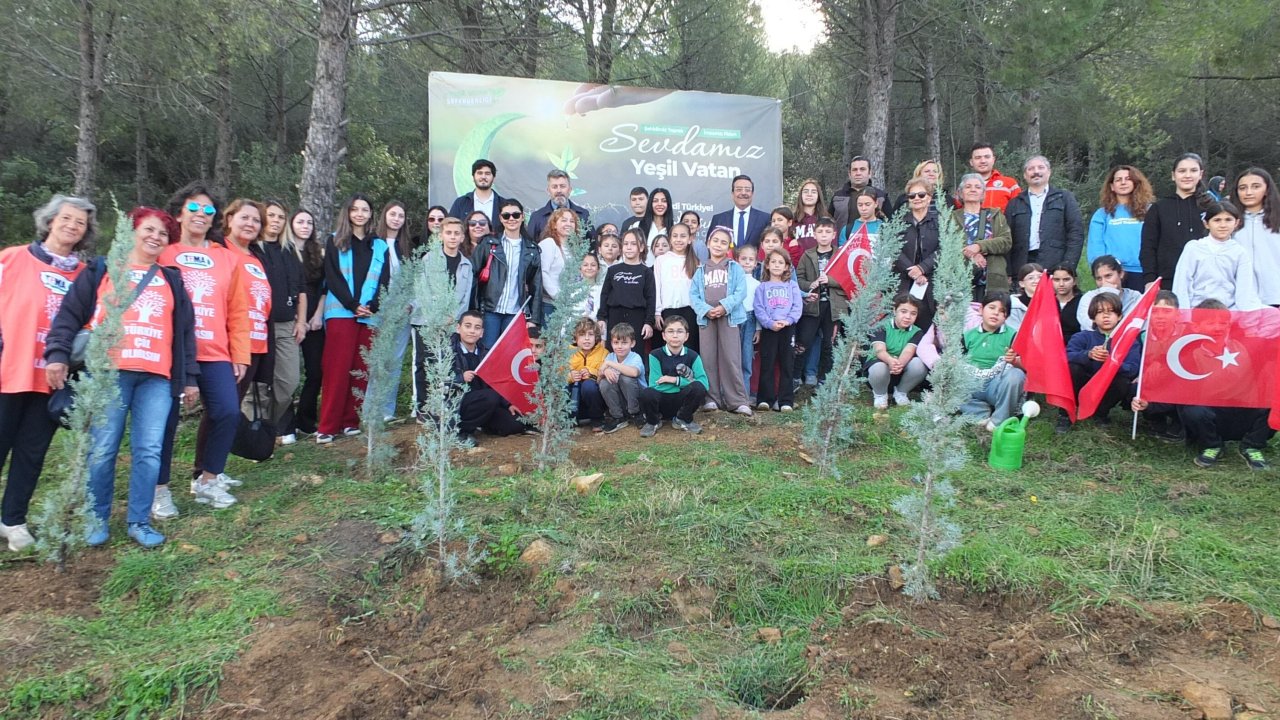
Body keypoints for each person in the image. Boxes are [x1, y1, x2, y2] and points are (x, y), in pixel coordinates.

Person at [45, 207, 199, 548]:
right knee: (102, 447)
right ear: (131, 231)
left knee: (149, 450)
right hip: (108, 373)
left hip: (157, 377)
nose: (156, 237)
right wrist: (57, 354)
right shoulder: (102, 269)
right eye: (149, 229)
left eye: (163, 233)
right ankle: (96, 517)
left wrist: (190, 378)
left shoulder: (172, 278)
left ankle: (139, 521)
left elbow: (186, 333)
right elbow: (69, 316)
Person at [0, 195, 93, 551]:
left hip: (52, 380)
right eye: (66, 218)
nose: (72, 225)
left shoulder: (85, 275)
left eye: (80, 222)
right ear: (50, 220)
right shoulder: (11, 259)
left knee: (31, 452)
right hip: (9, 372)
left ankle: (14, 520)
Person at [155, 186, 250, 516]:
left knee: (227, 411)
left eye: (208, 210)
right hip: (169, 353)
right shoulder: (163, 252)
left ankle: (208, 480)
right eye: (193, 207)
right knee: (163, 423)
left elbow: (238, 309)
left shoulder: (226, 257)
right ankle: (160, 489)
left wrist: (240, 354)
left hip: (215, 351)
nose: (200, 214)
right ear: (179, 212)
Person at [317, 194, 389, 444]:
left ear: (371, 214)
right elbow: (333, 277)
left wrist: (372, 305)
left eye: (365, 209)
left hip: (369, 315)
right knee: (337, 369)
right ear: (347, 213)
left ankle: (350, 421)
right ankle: (327, 426)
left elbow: (384, 280)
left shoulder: (379, 245)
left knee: (360, 370)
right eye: (355, 209)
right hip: (341, 312)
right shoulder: (334, 241)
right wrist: (352, 304)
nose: (360, 213)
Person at [251, 199, 307, 438]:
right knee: (257, 383)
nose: (275, 221)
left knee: (289, 381)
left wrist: (301, 321)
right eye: (271, 215)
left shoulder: (289, 251)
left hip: (286, 324)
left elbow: (302, 290)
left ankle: (267, 424)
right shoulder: (251, 249)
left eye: (280, 217)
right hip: (256, 324)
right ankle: (254, 433)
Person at [411, 217, 472, 419]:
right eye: (449, 233)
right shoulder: (429, 259)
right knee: (424, 364)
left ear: (462, 236)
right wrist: (436, 316)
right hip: (427, 321)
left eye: (457, 233)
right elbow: (422, 290)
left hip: (450, 323)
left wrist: (453, 318)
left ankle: (441, 406)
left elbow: (465, 297)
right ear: (441, 235)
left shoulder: (466, 265)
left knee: (446, 364)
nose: (453, 237)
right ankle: (423, 408)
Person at [1058, 293, 1141, 432]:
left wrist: (1112, 364)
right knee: (1073, 368)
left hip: (1107, 387)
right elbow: (1066, 356)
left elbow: (1133, 368)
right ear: (1093, 317)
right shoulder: (1082, 336)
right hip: (1084, 383)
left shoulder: (1129, 341)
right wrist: (1088, 355)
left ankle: (1100, 413)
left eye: (1111, 312)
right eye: (1100, 312)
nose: (1106, 316)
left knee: (1123, 380)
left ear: (1120, 316)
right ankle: (1065, 413)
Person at [690, 227, 751, 415]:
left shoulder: (734, 267)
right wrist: (706, 310)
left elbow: (741, 291)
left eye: (723, 242)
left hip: (729, 318)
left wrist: (724, 306)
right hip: (707, 320)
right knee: (708, 359)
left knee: (731, 358)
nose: (718, 245)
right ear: (708, 243)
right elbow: (693, 295)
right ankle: (711, 399)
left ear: (729, 247)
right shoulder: (700, 269)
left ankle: (738, 400)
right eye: (715, 240)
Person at [450, 311, 530, 445]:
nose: (472, 331)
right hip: (458, 404)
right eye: (468, 326)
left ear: (482, 332)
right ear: (458, 328)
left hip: (485, 403)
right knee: (490, 396)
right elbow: (438, 382)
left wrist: (507, 404)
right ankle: (460, 432)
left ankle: (482, 424)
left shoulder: (486, 353)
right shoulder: (448, 351)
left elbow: (497, 381)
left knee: (515, 424)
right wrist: (460, 378)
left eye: (477, 328)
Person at [472, 198, 542, 349]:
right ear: (500, 218)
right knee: (486, 353)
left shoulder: (532, 249)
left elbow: (536, 286)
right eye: (506, 215)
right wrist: (475, 309)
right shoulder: (488, 243)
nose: (511, 219)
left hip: (516, 313)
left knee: (509, 355)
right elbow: (473, 276)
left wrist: (533, 319)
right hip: (490, 310)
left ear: (523, 217)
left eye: (516, 215)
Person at [1172, 201, 1261, 310]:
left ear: (1236, 223)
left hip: (1228, 311)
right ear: (1206, 224)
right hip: (1197, 311)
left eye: (1228, 220)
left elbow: (1245, 289)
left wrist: (1244, 316)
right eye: (1217, 220)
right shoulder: (1194, 248)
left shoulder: (1239, 252)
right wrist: (1184, 315)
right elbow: (1182, 284)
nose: (1223, 225)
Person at [1140, 153, 1209, 290]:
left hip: (1203, 281)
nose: (1187, 175)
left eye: (1193, 170)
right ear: (1173, 175)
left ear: (1201, 174)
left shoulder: (1210, 207)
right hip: (1166, 281)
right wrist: (1150, 279)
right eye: (1182, 171)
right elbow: (1148, 247)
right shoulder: (1159, 208)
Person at [1004, 155, 1084, 273]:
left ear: (1049, 172)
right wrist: (1009, 271)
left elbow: (1076, 233)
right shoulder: (1015, 203)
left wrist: (1068, 265)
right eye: (1031, 169)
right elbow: (1007, 238)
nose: (1036, 171)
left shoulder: (1064, 198)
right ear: (1025, 175)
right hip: (1022, 265)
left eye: (1041, 167)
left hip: (1055, 263)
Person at [959, 291, 1026, 432]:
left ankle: (998, 420)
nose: (996, 313)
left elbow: (1027, 365)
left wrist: (1014, 361)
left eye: (1002, 311)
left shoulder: (1013, 335)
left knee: (1017, 375)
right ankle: (979, 412)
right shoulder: (967, 335)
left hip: (997, 384)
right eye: (992, 308)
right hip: (972, 384)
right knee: (949, 377)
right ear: (981, 310)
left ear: (1006, 317)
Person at [796, 218, 848, 385]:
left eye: (827, 232)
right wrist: (810, 284)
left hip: (834, 306)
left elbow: (848, 281)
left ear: (834, 235)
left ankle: (825, 379)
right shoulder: (807, 255)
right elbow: (798, 279)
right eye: (820, 232)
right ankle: (796, 377)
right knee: (804, 340)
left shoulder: (840, 255)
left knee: (830, 343)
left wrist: (830, 281)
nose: (824, 235)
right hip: (812, 306)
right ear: (815, 234)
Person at [288, 209, 326, 437]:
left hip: (314, 317)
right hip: (288, 315)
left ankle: (305, 420)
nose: (305, 226)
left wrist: (317, 316)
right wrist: (294, 317)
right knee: (287, 375)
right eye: (300, 221)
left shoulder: (317, 253)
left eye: (309, 222)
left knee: (315, 371)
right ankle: (285, 424)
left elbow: (324, 287)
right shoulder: (283, 252)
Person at [639, 316, 708, 437]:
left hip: (682, 403)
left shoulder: (693, 356)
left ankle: (683, 419)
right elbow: (655, 385)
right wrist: (688, 382)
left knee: (698, 387)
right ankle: (653, 421)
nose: (675, 335)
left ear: (686, 336)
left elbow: (704, 384)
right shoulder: (655, 355)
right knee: (647, 393)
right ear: (664, 336)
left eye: (679, 331)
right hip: (661, 402)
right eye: (670, 331)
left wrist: (675, 380)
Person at [1087, 165, 1153, 290]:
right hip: (1112, 274)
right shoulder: (1102, 214)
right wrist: (1103, 271)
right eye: (1118, 180)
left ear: (1135, 183)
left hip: (1143, 272)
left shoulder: (1150, 211)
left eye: (1128, 178)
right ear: (1112, 186)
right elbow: (1096, 246)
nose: (1123, 182)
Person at [752, 249, 802, 412]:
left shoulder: (792, 286)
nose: (776, 265)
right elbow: (758, 308)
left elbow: (797, 307)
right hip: (770, 328)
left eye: (781, 262)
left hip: (788, 328)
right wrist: (769, 323)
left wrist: (787, 321)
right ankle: (765, 399)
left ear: (787, 267)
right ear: (767, 265)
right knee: (768, 363)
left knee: (787, 363)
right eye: (773, 262)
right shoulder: (762, 287)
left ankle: (785, 400)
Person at [953, 173, 1012, 300]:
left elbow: (1006, 241)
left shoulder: (996, 215)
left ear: (983, 193)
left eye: (978, 187)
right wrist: (972, 254)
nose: (973, 189)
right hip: (961, 279)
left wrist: (979, 246)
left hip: (993, 279)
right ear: (960, 193)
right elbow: (947, 243)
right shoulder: (950, 217)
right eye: (968, 187)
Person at [865, 294, 928, 409]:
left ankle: (900, 392)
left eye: (913, 313)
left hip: (900, 371)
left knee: (920, 364)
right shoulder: (881, 326)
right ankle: (880, 395)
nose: (908, 317)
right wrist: (890, 361)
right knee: (879, 368)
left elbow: (909, 351)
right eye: (903, 311)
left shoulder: (917, 332)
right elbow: (879, 350)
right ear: (894, 311)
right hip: (879, 370)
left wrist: (899, 364)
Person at [598, 229, 655, 357]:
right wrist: (601, 317)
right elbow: (605, 294)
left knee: (635, 352)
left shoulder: (646, 272)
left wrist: (648, 322)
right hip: (615, 315)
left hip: (637, 317)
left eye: (633, 244)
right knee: (614, 350)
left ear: (641, 247)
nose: (629, 247)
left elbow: (651, 298)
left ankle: (633, 376)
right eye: (626, 244)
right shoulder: (613, 270)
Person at [894, 180, 941, 329]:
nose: (917, 198)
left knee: (928, 327)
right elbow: (893, 248)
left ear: (929, 197)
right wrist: (912, 270)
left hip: (933, 282)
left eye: (921, 194)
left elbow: (945, 248)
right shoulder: (898, 222)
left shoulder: (941, 221)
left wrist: (922, 268)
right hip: (903, 282)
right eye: (912, 195)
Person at [1231, 167, 1280, 306]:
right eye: (1242, 188)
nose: (1248, 192)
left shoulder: (1277, 220)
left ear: (1267, 189)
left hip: (1275, 296)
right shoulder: (1228, 221)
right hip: (1240, 300)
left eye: (1256, 187)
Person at [654, 222, 700, 354]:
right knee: (669, 350)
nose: (679, 240)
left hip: (690, 312)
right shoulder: (661, 260)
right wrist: (657, 312)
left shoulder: (696, 262)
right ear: (670, 238)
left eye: (683, 236)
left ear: (690, 239)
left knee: (689, 349)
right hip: (667, 312)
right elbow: (657, 287)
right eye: (675, 236)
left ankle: (688, 375)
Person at [596, 322, 646, 433]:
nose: (619, 346)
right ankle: (618, 417)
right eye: (616, 342)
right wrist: (604, 372)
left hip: (637, 398)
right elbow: (598, 381)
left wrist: (610, 364)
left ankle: (636, 414)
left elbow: (634, 373)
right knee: (604, 382)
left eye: (624, 343)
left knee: (626, 378)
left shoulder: (635, 357)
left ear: (632, 343)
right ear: (612, 343)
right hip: (621, 399)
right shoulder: (610, 356)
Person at [1076, 256, 1142, 332]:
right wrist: (1109, 293)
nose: (1104, 282)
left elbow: (1140, 324)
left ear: (1121, 274)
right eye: (1099, 279)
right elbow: (1089, 325)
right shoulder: (1088, 297)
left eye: (1108, 276)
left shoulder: (1135, 297)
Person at [527, 169, 591, 242]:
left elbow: (592, 244)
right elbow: (530, 246)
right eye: (554, 187)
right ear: (548, 191)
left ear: (570, 190)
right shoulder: (537, 217)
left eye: (562, 186)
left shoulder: (583, 215)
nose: (559, 190)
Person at [709, 175, 770, 249]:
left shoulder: (765, 218)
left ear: (752, 194)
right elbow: (710, 247)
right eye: (739, 189)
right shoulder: (719, 219)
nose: (743, 193)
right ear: (732, 193)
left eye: (747, 190)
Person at [539, 208, 577, 325]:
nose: (568, 224)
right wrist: (558, 296)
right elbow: (543, 273)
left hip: (568, 306)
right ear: (554, 225)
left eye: (572, 221)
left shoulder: (573, 248)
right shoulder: (549, 243)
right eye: (564, 220)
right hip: (550, 305)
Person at [830, 156, 888, 229]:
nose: (858, 173)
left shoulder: (881, 196)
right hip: (844, 239)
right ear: (849, 174)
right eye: (854, 170)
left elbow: (891, 224)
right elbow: (828, 223)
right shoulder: (837, 196)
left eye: (862, 169)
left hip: (873, 239)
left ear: (870, 173)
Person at [568, 317, 606, 426]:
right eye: (582, 335)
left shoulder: (604, 353)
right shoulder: (566, 352)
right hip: (573, 397)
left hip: (594, 399)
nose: (587, 339)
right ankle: (568, 419)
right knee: (564, 387)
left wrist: (591, 373)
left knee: (589, 385)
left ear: (596, 337)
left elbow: (605, 375)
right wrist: (570, 376)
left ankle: (597, 420)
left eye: (590, 334)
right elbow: (557, 375)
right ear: (575, 338)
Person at [736, 244, 761, 401]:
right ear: (737, 260)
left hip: (750, 320)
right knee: (732, 358)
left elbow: (758, 308)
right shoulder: (732, 282)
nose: (746, 262)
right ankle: (731, 394)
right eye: (743, 259)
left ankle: (744, 395)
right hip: (734, 320)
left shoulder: (758, 284)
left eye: (750, 259)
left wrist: (758, 329)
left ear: (756, 264)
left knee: (746, 357)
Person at [448, 159, 506, 227]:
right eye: (479, 173)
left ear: (493, 178)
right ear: (473, 177)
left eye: (487, 174)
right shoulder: (461, 203)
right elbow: (451, 228)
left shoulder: (503, 204)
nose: (483, 177)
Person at [966, 143, 1021, 212]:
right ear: (971, 162)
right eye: (978, 158)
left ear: (993, 159)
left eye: (987, 157)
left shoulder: (1010, 184)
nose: (983, 161)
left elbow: (1019, 211)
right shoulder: (965, 186)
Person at [1047, 263, 1083, 343]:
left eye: (1066, 279)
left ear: (1074, 281)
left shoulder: (1082, 302)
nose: (1061, 284)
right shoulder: (1046, 302)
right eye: (1056, 280)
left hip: (1075, 346)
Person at [1005, 263, 1043, 333]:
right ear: (1022, 283)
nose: (1036, 281)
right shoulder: (1014, 305)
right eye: (1031, 278)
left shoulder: (1050, 302)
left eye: (1040, 277)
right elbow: (1013, 330)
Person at [791, 179, 824, 257]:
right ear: (801, 195)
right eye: (806, 191)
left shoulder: (826, 220)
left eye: (813, 192)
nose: (809, 194)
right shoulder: (792, 220)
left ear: (818, 196)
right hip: (797, 265)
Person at [638, 188, 673, 257]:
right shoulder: (638, 226)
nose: (659, 204)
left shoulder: (674, 228)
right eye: (655, 201)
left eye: (664, 201)